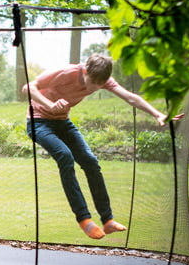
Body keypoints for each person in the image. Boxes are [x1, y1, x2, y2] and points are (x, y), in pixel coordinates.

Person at [23, 53, 180, 240]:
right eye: (92, 82)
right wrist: (50, 105)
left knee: (90, 161)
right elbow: (28, 87)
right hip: (38, 122)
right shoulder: (65, 73)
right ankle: (84, 220)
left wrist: (157, 114)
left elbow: (130, 97)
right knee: (65, 156)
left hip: (63, 122)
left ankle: (107, 220)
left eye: (100, 84)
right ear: (85, 70)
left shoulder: (102, 79)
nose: (95, 87)